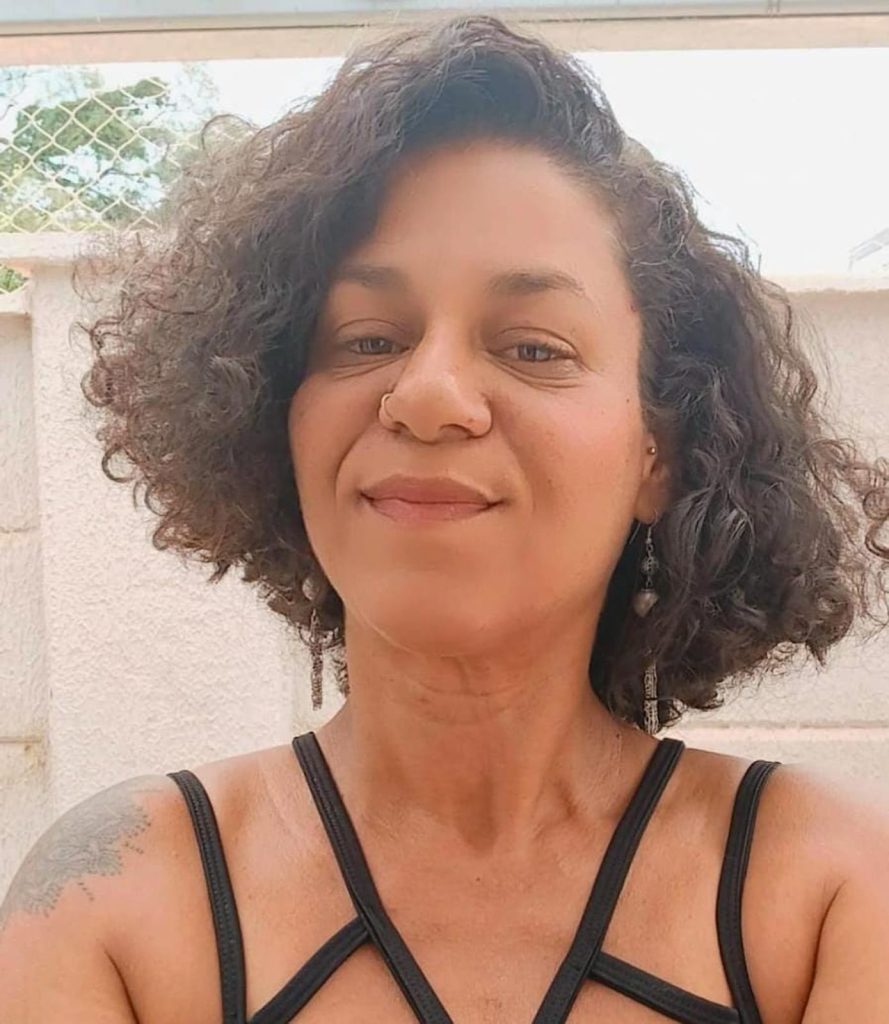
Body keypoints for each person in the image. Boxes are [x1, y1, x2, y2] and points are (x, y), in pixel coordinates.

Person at [1, 13, 888, 1023]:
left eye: (534, 347)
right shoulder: (114, 904)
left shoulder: (828, 895)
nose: (425, 396)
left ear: (661, 453)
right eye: (366, 338)